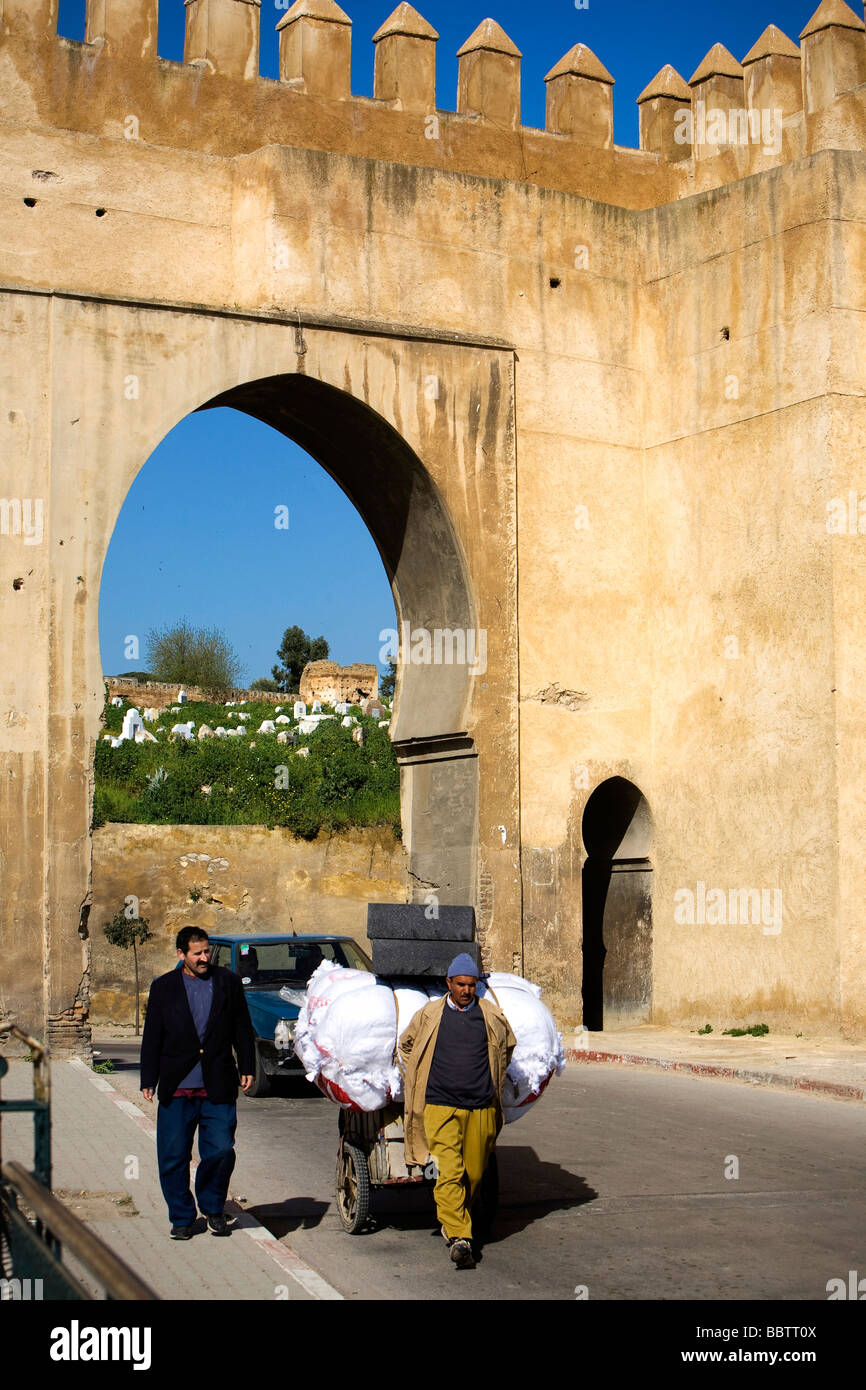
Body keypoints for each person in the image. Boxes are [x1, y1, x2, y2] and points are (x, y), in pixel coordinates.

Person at [398, 953, 516, 1269]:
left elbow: (508, 1046)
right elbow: (405, 1045)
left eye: (471, 985)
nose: (466, 990)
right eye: (461, 984)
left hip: (480, 1107)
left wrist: (494, 1077)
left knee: (474, 1173)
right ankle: (460, 1237)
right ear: (448, 983)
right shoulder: (430, 1015)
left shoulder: (491, 1016)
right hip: (438, 1105)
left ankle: (458, 1216)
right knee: (448, 1172)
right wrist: (417, 1075)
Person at [140, 926, 255, 1240]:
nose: (204, 958)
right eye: (197, 953)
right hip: (177, 1086)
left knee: (220, 1151)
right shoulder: (163, 987)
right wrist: (148, 1078)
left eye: (206, 951)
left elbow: (242, 1027)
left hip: (217, 1083)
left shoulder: (227, 982)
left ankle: (213, 1208)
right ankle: (181, 1218)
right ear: (181, 955)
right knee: (173, 1155)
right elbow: (152, 1035)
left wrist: (247, 1065)